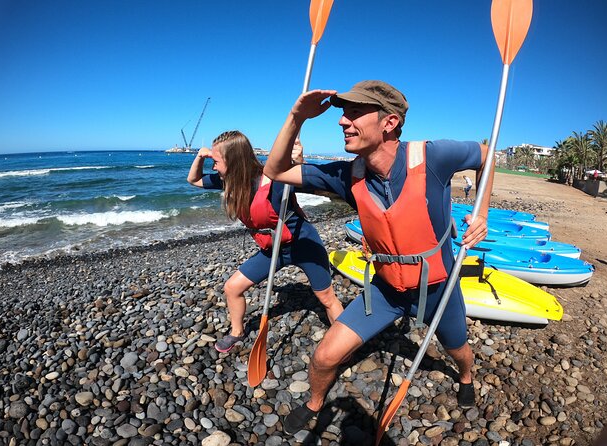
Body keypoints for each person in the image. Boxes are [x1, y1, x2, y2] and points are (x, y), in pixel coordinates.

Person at [263, 80, 492, 434]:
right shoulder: (346, 175)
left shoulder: (433, 156)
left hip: (437, 290)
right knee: (324, 356)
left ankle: (465, 377)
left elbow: (485, 154)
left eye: (355, 112)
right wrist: (296, 118)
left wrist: (483, 213)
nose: (342, 121)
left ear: (389, 123)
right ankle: (314, 402)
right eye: (343, 113)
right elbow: (275, 171)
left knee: (458, 350)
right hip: (385, 291)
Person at [187, 130, 344, 353]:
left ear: (233, 161)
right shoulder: (229, 180)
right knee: (232, 288)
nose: (213, 166)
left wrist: (299, 163)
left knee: (326, 297)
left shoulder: (276, 179)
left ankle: (344, 343)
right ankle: (236, 332)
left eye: (216, 161)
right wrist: (201, 157)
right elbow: (193, 180)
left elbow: (310, 182)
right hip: (273, 248)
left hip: (304, 244)